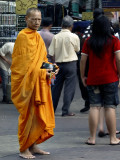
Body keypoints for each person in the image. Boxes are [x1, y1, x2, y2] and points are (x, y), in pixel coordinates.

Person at [11, 8, 58, 159]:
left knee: (37, 116)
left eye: (38, 19)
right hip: (28, 85)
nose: (36, 22)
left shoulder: (37, 37)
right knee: (28, 117)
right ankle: (24, 148)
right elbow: (24, 66)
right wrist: (42, 71)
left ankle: (33, 145)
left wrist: (51, 68)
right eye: (33, 19)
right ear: (26, 19)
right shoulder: (23, 36)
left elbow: (42, 61)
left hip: (38, 83)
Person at [80, 15, 120, 145]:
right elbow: (119, 59)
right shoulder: (114, 40)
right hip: (110, 78)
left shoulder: (89, 41)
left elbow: (83, 61)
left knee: (94, 107)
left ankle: (92, 138)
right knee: (110, 107)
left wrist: (82, 76)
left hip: (94, 79)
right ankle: (113, 138)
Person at [49, 15, 80, 116]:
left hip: (58, 64)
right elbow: (77, 49)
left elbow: (51, 53)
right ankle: (65, 110)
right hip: (71, 64)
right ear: (71, 26)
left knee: (56, 88)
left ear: (62, 25)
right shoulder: (74, 36)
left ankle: (52, 110)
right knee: (69, 88)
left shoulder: (55, 37)